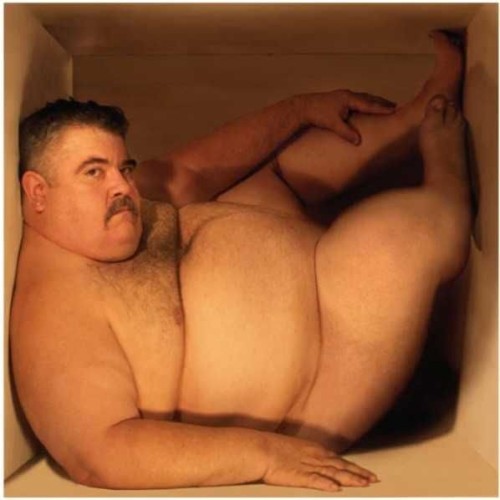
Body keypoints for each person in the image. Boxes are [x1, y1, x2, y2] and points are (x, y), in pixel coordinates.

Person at [10, 31, 470, 492]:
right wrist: (266, 456)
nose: (122, 185)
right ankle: (446, 172)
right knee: (399, 239)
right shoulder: (51, 312)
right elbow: (99, 452)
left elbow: (191, 171)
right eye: (94, 171)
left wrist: (300, 110)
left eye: (123, 168)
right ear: (38, 192)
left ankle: (417, 116)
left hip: (299, 260)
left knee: (264, 171)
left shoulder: (105, 211)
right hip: (318, 372)